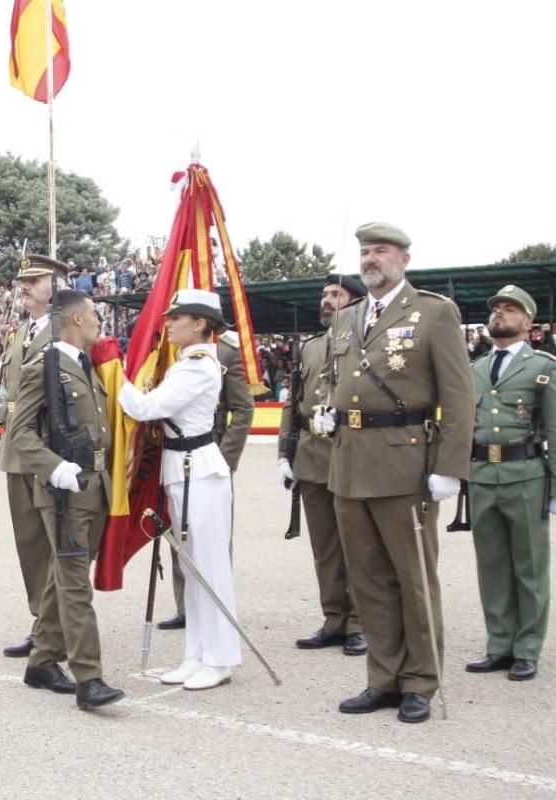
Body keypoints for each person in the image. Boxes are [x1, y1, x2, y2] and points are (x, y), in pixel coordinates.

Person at [313, 222, 473, 724]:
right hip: (349, 461)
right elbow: (338, 381)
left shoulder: (433, 312)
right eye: (364, 252)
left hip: (404, 462)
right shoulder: (349, 317)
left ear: (403, 258)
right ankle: (383, 677)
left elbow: (459, 395)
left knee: (413, 578)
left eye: (379, 251)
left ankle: (421, 680)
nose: (370, 260)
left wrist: (450, 467)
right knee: (369, 580)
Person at [7, 289, 124, 709]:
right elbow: (19, 433)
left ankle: (41, 661)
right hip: (62, 492)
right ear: (76, 319)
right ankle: (88, 677)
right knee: (75, 584)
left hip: (92, 486)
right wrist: (53, 467)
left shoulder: (84, 366)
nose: (98, 322)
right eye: (94, 315)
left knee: (63, 577)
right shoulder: (45, 367)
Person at [119, 289, 240, 690]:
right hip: (183, 468)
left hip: (199, 471)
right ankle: (197, 653)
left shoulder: (198, 366)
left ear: (201, 324)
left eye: (177, 317)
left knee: (208, 568)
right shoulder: (187, 363)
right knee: (191, 567)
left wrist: (111, 373)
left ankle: (220, 659)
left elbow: (143, 408)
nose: (168, 323)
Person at [465, 285, 556, 681]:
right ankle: (499, 644)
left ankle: (527, 648)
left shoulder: (545, 366)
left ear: (527, 323)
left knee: (529, 566)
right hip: (481, 476)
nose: (500, 314)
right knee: (491, 565)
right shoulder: (475, 369)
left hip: (526, 475)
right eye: (496, 309)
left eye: (510, 310)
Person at [278, 274, 369, 656]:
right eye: (325, 295)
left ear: (355, 301)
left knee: (358, 545)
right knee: (325, 546)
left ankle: (359, 623)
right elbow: (292, 401)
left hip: (351, 452)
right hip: (312, 455)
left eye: (336, 294)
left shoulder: (368, 343)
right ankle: (334, 618)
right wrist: (285, 452)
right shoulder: (312, 347)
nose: (327, 300)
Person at [0, 254, 70, 658]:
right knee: (31, 544)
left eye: (34, 280)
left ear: (55, 284)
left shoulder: (64, 329)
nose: (24, 286)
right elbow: (15, 389)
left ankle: (61, 627)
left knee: (59, 545)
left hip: (47, 449)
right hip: (16, 449)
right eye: (23, 280)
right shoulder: (21, 332)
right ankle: (42, 622)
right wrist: (0, 403)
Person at [156, 313, 255, 631]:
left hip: (207, 457)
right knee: (179, 535)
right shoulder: (167, 351)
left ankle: (215, 609)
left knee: (210, 542)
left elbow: (243, 408)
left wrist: (225, 459)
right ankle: (186, 606)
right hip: (176, 456)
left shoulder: (224, 353)